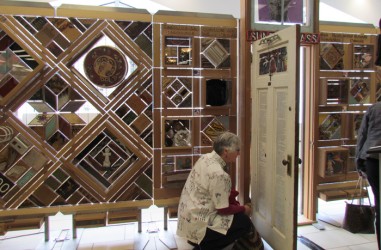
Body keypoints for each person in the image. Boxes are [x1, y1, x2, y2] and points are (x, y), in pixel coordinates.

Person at [176, 132, 254, 250]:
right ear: (226, 151)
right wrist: (244, 209)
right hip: (200, 224)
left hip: (187, 219)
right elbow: (223, 209)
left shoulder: (205, 158)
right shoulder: (219, 174)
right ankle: (206, 245)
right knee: (244, 222)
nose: (239, 153)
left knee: (237, 216)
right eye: (237, 150)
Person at [356, 101, 381, 249]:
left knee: (379, 203)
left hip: (373, 161)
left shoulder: (374, 108)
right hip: (374, 160)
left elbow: (362, 136)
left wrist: (359, 162)